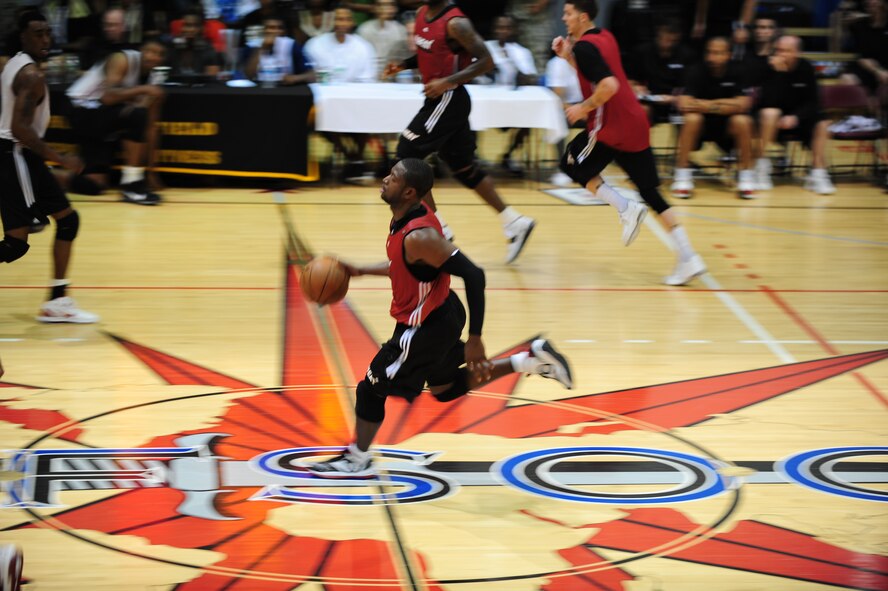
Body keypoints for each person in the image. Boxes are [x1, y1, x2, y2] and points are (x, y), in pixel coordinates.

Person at [307, 158, 573, 477]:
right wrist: (362, 269)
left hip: (423, 326)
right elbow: (405, 265)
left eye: (392, 178)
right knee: (445, 388)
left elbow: (474, 275)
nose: (384, 180)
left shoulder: (420, 236)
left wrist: (475, 339)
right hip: (443, 310)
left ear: (408, 192)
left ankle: (356, 458)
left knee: (371, 386)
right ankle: (529, 360)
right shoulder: (411, 214)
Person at [553, 0, 707, 285]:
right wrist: (567, 57)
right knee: (651, 191)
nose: (564, 18)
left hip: (611, 127)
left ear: (583, 17)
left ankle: (626, 208)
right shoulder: (604, 36)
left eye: (568, 13)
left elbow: (607, 85)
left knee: (570, 163)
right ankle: (689, 257)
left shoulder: (585, 47)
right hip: (635, 121)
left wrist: (581, 108)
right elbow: (595, 71)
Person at [382, 0, 536, 264]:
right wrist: (404, 65)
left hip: (449, 98)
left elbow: (487, 62)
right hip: (440, 99)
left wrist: (446, 82)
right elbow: (427, 53)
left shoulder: (456, 23)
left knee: (406, 154)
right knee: (465, 169)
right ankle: (515, 222)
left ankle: (438, 228)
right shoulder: (422, 14)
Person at [0, 11, 99, 324]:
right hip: (13, 152)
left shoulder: (14, 62)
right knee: (15, 244)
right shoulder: (30, 75)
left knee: (69, 221)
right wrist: (61, 159)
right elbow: (19, 129)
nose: (46, 39)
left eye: (47, 32)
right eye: (38, 34)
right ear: (23, 38)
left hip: (24, 154)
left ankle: (57, 302)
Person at [66, 37, 167, 205]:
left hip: (102, 116)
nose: (153, 56)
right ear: (141, 51)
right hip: (80, 109)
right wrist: (143, 89)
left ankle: (46, 177)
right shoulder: (122, 59)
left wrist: (151, 171)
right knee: (135, 115)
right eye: (149, 51)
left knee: (95, 184)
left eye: (159, 54)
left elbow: (149, 127)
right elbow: (108, 97)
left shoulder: (154, 79)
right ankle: (131, 185)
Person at [671, 37, 756, 199]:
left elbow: (744, 104)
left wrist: (708, 105)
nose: (712, 57)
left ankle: (746, 178)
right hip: (700, 127)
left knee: (743, 121)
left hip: (727, 127)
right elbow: (684, 103)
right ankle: (682, 177)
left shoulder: (740, 70)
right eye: (709, 52)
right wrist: (726, 105)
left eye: (717, 53)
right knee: (692, 118)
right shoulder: (695, 70)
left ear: (728, 55)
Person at [754, 36, 835, 194]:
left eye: (787, 51)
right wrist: (780, 74)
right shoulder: (767, 67)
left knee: (823, 123)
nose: (781, 54)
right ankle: (761, 167)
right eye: (778, 50)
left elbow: (814, 102)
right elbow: (767, 101)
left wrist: (796, 117)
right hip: (771, 122)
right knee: (771, 113)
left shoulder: (806, 68)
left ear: (797, 53)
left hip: (799, 119)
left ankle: (817, 173)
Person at [305, 7, 377, 180]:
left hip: (354, 99)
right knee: (326, 114)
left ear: (352, 23)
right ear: (330, 22)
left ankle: (355, 160)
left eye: (346, 19)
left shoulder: (363, 46)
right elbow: (309, 76)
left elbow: (367, 80)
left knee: (365, 112)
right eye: (338, 19)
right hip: (322, 100)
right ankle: (353, 159)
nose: (341, 23)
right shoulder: (315, 44)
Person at [484, 14, 538, 177]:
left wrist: (512, 61)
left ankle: (508, 155)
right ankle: (473, 158)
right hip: (487, 102)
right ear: (494, 30)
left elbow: (530, 79)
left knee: (529, 121)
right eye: (500, 28)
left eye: (508, 28)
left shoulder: (522, 52)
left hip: (512, 104)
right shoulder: (484, 48)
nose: (504, 31)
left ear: (514, 30)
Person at [245, 15, 315, 84]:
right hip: (258, 90)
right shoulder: (253, 45)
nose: (276, 31)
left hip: (284, 91)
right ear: (263, 30)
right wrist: (263, 48)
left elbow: (312, 75)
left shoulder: (291, 45)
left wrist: (295, 78)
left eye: (280, 28)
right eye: (271, 28)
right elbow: (248, 75)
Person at [356, 0, 409, 78]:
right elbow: (359, 58)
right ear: (374, 8)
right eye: (381, 5)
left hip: (394, 76)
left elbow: (402, 59)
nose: (384, 9)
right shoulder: (364, 29)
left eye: (389, 5)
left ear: (394, 8)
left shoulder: (401, 30)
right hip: (368, 75)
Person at [168, 8, 223, 78]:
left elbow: (212, 81)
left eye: (195, 26)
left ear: (202, 28)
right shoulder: (172, 48)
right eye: (186, 25)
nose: (190, 30)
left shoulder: (209, 50)